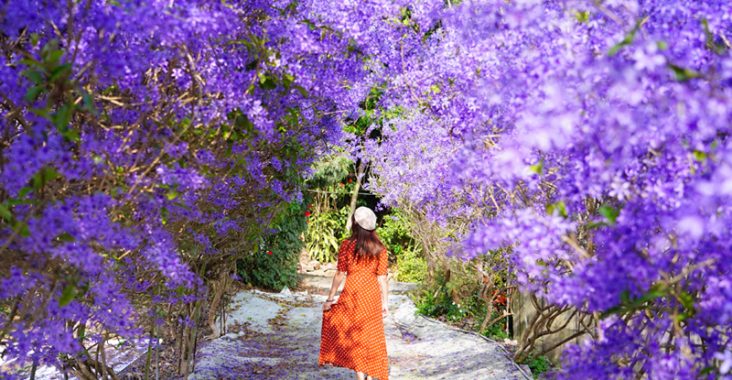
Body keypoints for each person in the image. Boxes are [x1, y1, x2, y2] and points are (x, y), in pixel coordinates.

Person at [318, 206, 389, 380]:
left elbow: (340, 273)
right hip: (371, 295)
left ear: (355, 224)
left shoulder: (347, 245)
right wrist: (385, 303)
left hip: (352, 292)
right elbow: (382, 278)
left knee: (353, 332)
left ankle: (360, 375)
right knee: (370, 333)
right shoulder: (380, 248)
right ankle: (370, 375)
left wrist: (331, 297)